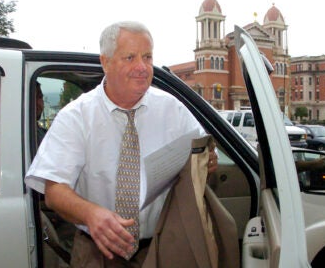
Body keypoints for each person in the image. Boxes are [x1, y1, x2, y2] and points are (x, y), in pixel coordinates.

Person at [25, 21, 218, 267]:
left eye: (147, 57)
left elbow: (203, 155)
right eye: (129, 57)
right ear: (105, 62)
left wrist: (207, 162)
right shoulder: (76, 117)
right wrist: (91, 215)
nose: (142, 67)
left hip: (161, 249)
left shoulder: (173, 110)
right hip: (96, 252)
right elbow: (54, 192)